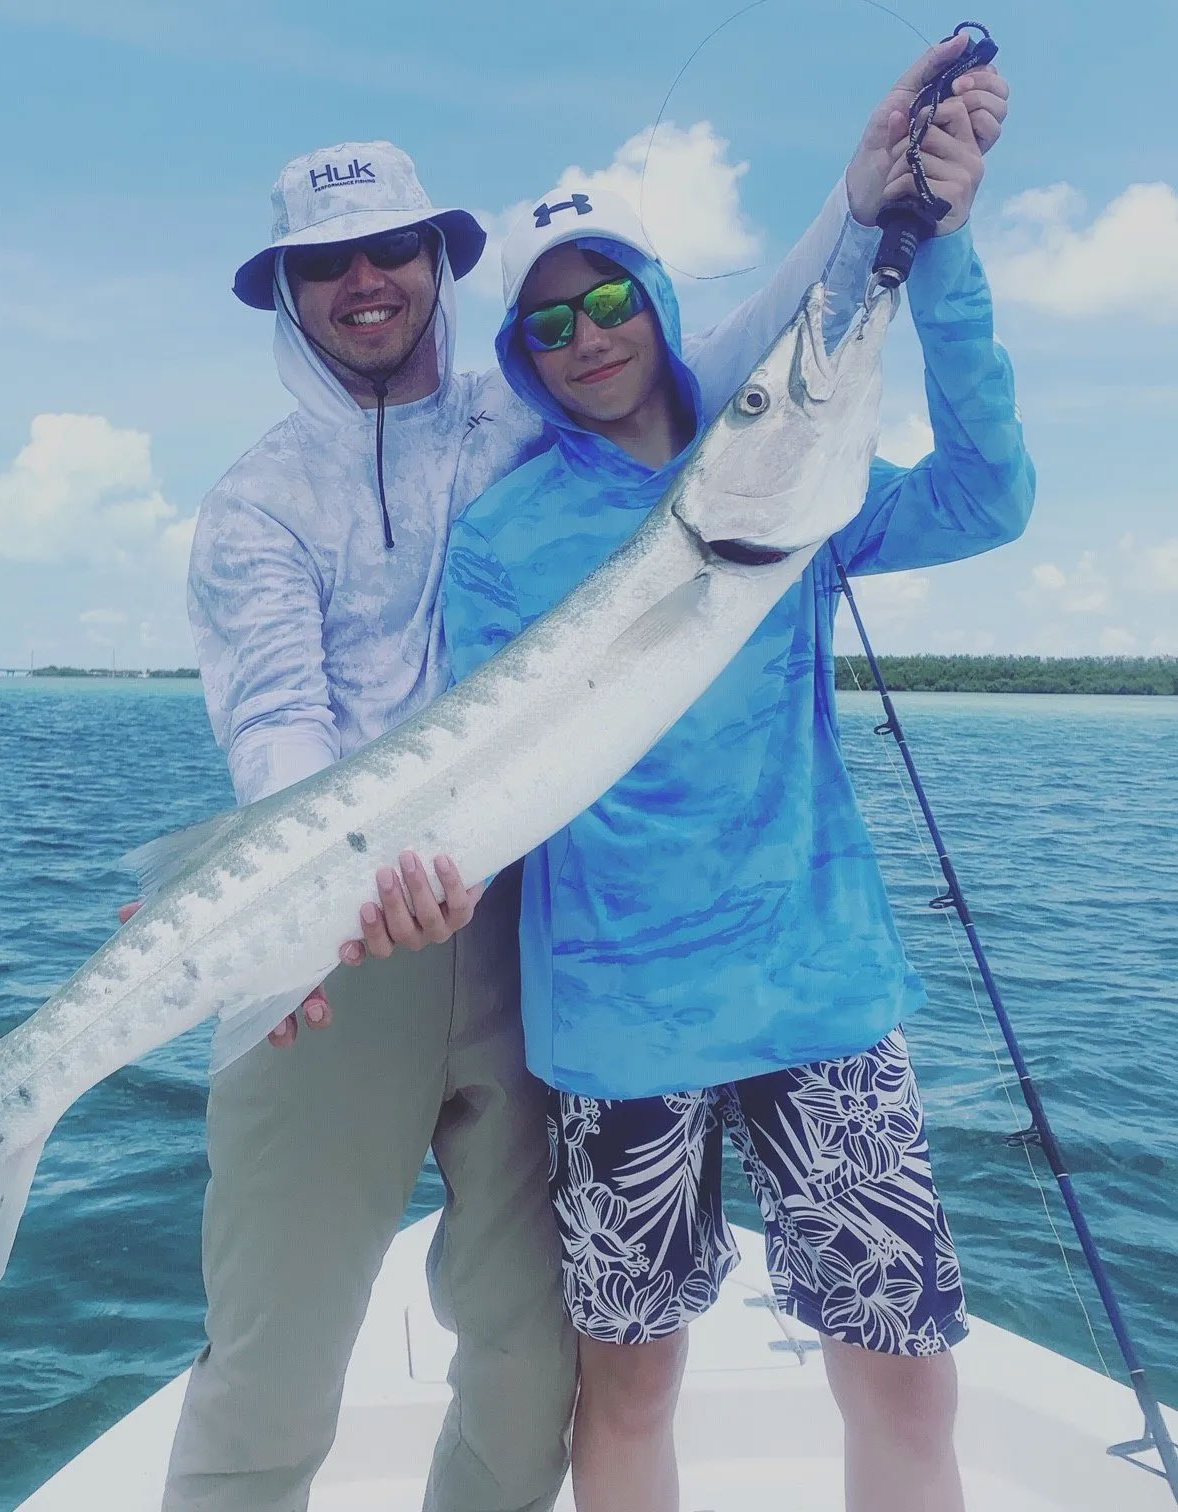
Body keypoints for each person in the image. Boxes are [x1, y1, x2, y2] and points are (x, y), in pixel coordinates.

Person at [156, 37, 1008, 1512]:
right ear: (288, 298)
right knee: (303, 1359)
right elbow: (280, 723)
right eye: (324, 265)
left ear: (438, 261)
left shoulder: (547, 417)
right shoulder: (274, 505)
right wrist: (293, 896)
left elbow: (743, 378)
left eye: (391, 251)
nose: (365, 284)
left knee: (529, 1362)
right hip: (410, 941)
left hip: (637, 956)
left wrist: (881, 213)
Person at [438, 61, 1027, 1512]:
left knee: (899, 1361)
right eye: (551, 320)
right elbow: (473, 778)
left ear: (659, 301)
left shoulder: (783, 475)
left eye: (615, 298)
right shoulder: (503, 539)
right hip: (617, 1022)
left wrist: (940, 249)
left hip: (820, 989)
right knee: (629, 1383)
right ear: (522, 350)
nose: (591, 337)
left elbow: (985, 497)